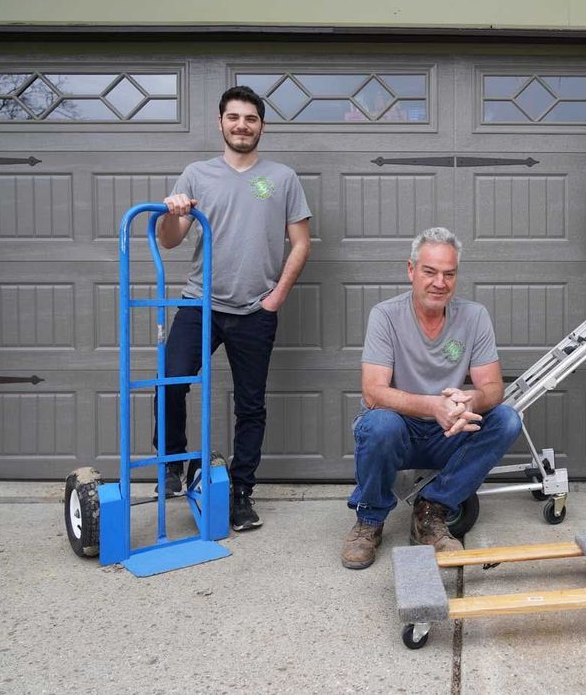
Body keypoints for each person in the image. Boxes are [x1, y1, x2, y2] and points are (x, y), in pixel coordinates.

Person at [156, 85, 312, 532]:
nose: (242, 125)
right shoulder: (196, 175)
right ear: (221, 122)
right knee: (171, 380)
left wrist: (276, 296)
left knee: (251, 406)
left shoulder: (282, 178)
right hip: (199, 301)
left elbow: (300, 243)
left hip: (254, 311)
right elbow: (170, 239)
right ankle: (173, 465)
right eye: (234, 117)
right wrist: (173, 210)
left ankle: (241, 493)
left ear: (261, 126)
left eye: (251, 118)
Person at [341, 228, 522, 570]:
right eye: (430, 272)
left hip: (449, 432)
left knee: (507, 419)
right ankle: (369, 520)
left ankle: (431, 512)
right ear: (411, 270)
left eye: (449, 274)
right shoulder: (385, 315)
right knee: (378, 423)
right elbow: (373, 392)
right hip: (401, 433)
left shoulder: (474, 316)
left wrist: (470, 400)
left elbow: (494, 388)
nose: (439, 282)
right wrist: (432, 406)